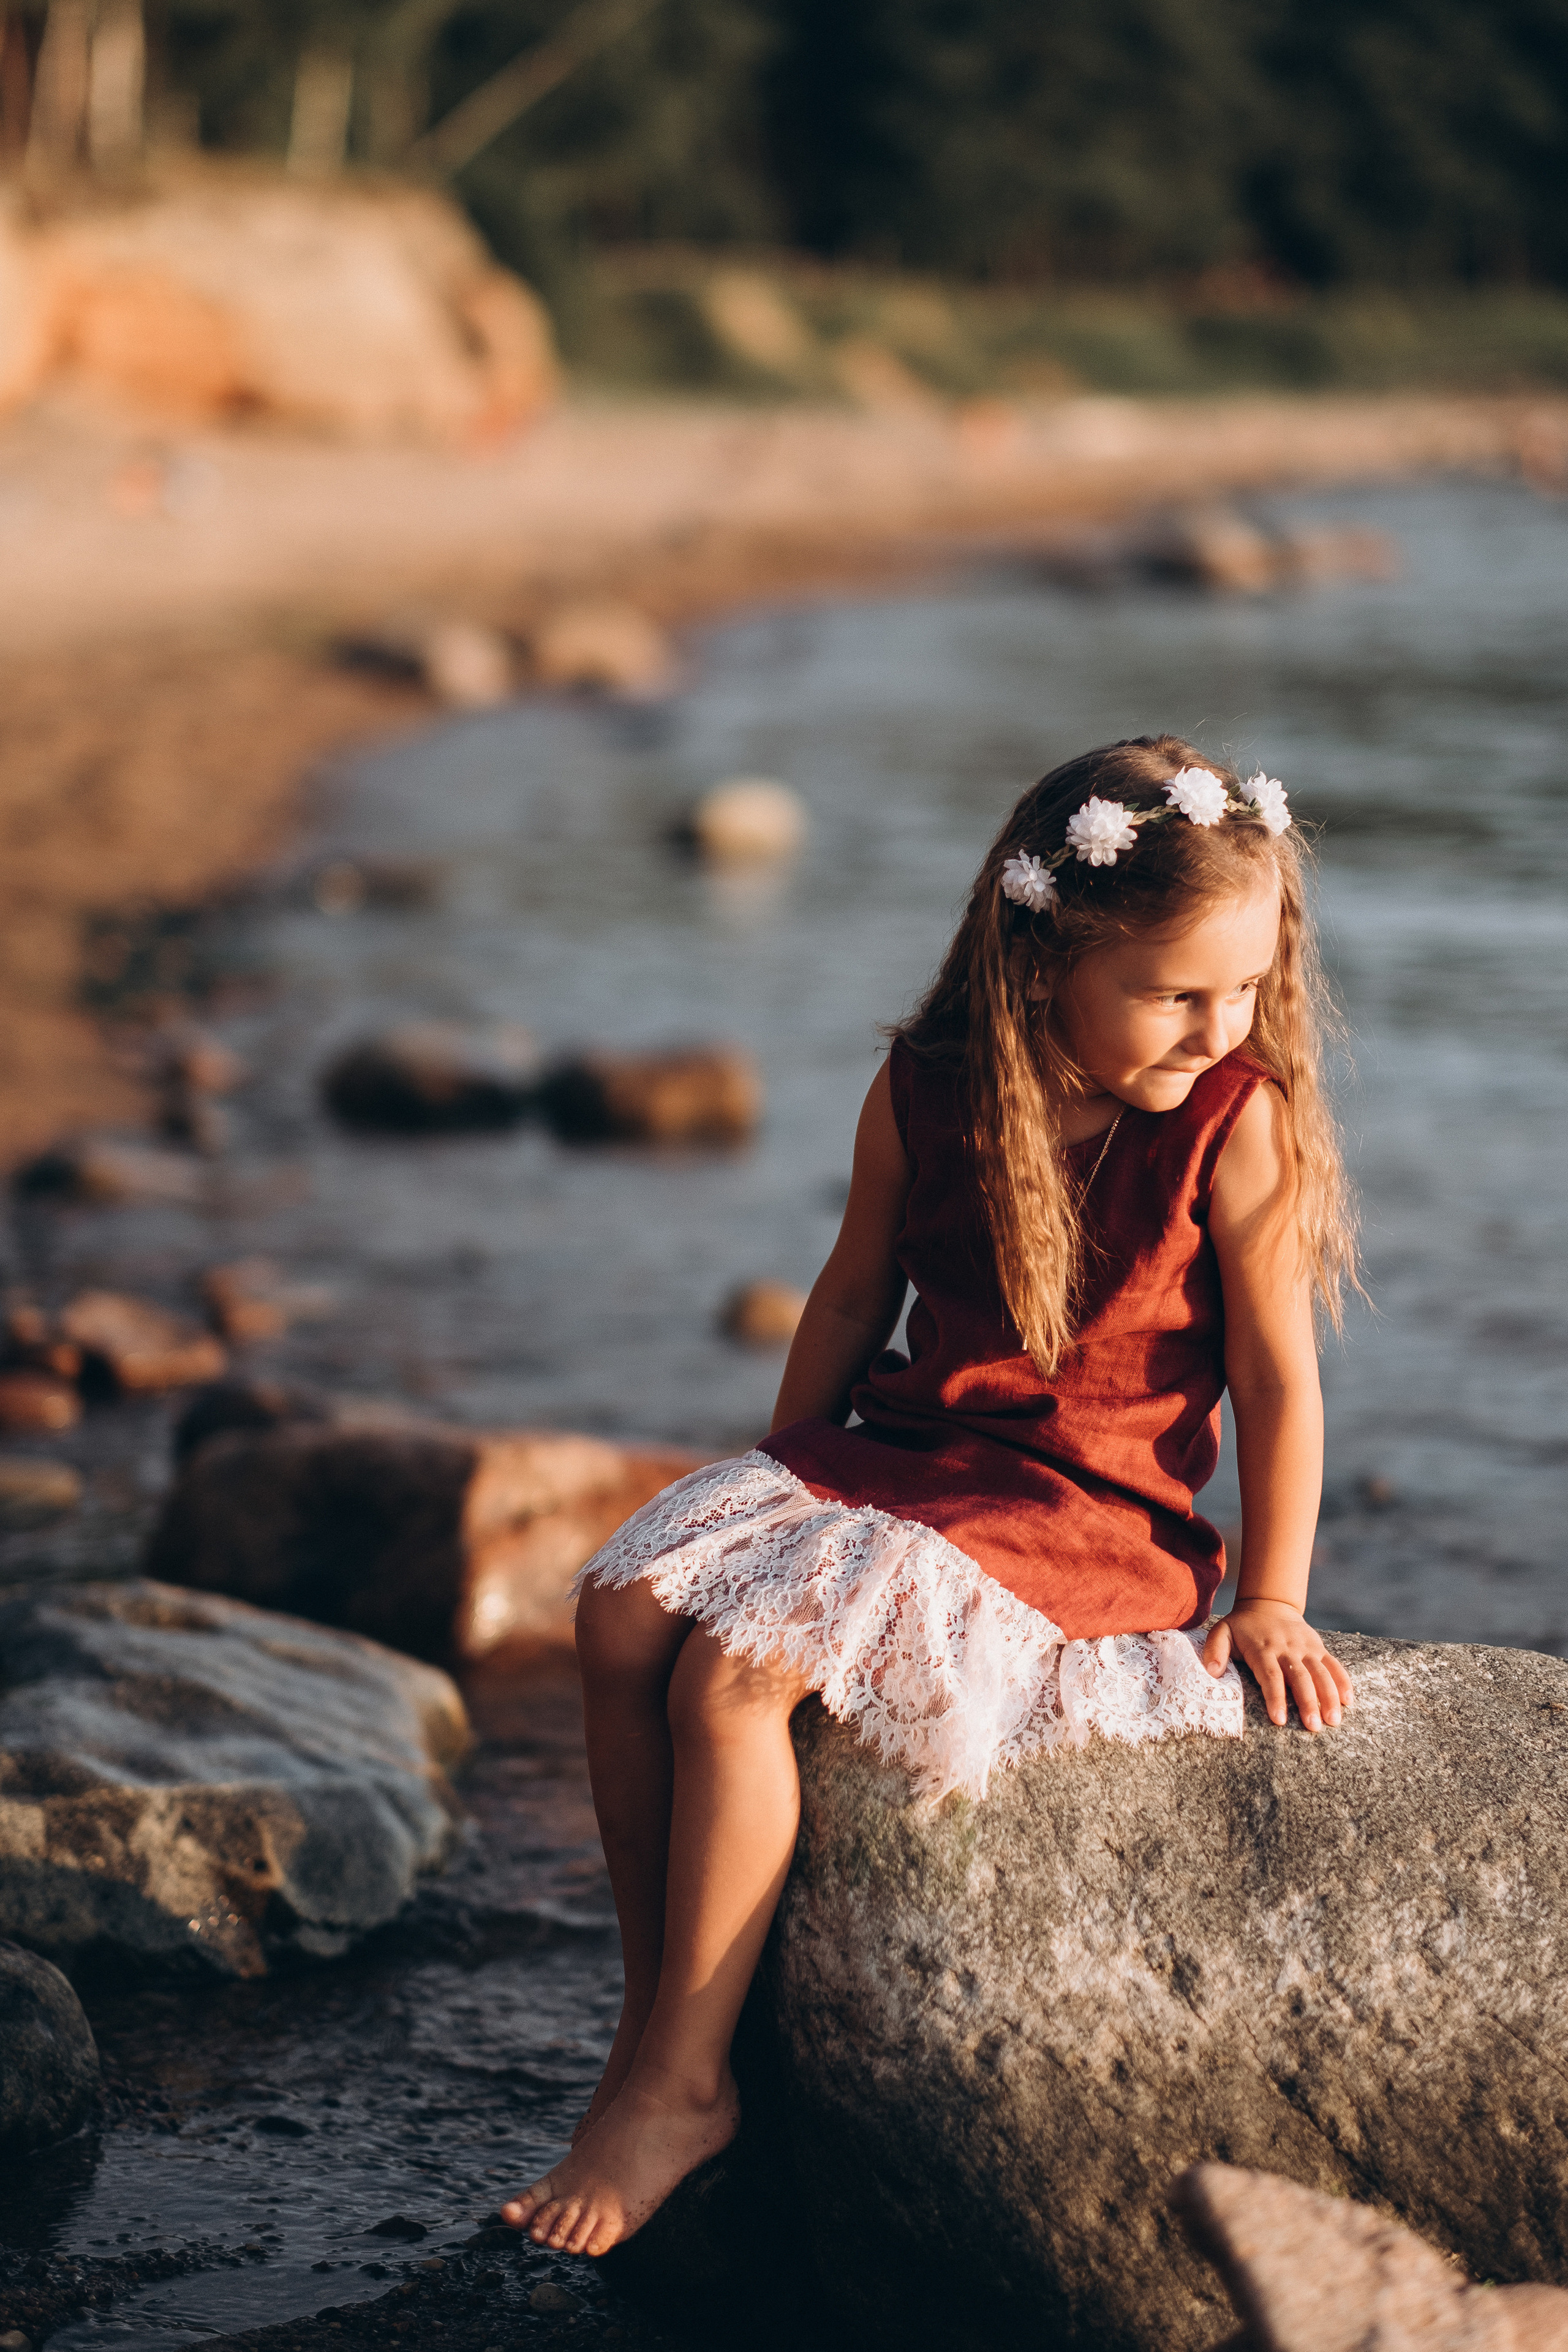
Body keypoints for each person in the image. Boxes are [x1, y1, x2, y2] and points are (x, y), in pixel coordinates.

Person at [503, 732, 1359, 2259]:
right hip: (912, 1460)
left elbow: (1279, 1382)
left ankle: (682, 2090)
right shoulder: (927, 1086)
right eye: (1174, 994)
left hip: (1084, 1515)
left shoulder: (1232, 1126)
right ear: (1042, 962)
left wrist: (1272, 1598)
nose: (1216, 1025)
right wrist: (768, 1507)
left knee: (733, 1682)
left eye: (1243, 988)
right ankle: (651, 2039)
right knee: (631, 1609)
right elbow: (844, 1301)